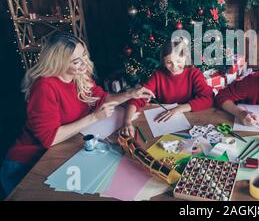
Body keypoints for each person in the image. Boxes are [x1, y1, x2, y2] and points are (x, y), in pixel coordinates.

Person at [0, 33, 152, 196]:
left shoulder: (78, 75)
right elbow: (49, 139)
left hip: (62, 150)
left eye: (83, 55)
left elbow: (102, 98)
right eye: (76, 61)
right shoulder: (45, 87)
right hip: (27, 164)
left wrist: (130, 94)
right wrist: (94, 117)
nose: (83, 63)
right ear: (59, 63)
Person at [121, 39, 213, 136]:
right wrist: (127, 122)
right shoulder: (158, 75)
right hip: (164, 123)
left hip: (191, 120)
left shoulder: (194, 73)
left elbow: (208, 98)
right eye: (169, 62)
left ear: (185, 57)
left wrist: (178, 109)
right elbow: (137, 98)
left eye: (178, 61)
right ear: (163, 61)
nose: (174, 67)